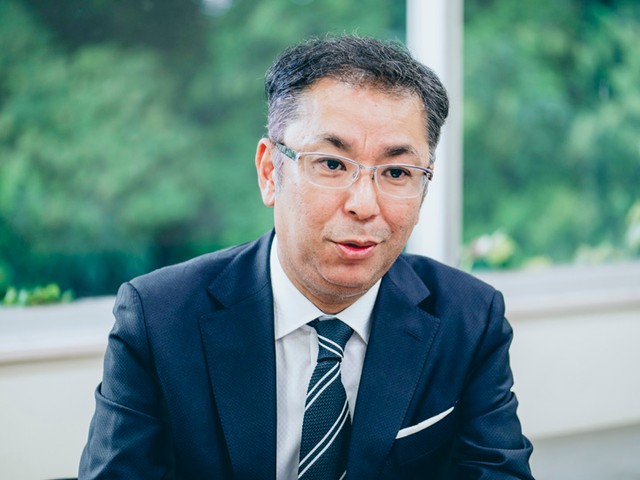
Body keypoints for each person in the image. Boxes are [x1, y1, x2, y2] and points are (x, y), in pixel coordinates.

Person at [79, 35, 533, 479]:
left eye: (396, 172)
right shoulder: (159, 318)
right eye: (332, 164)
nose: (364, 205)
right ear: (269, 172)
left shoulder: (470, 319)